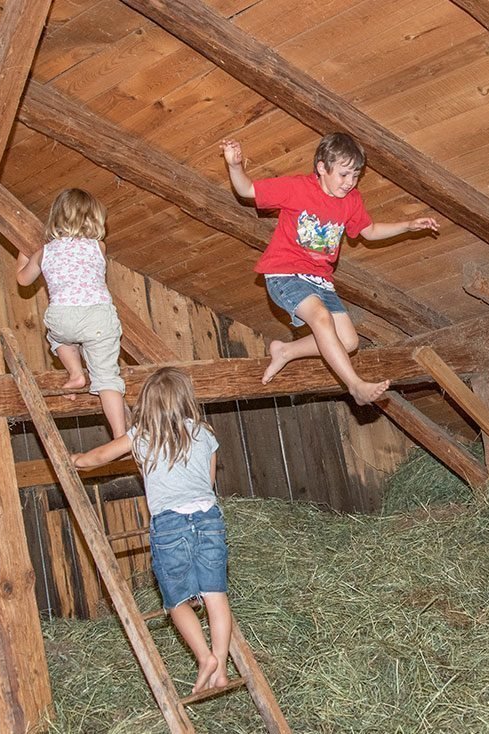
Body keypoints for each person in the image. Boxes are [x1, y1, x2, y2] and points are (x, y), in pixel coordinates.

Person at [220, 132, 439, 405]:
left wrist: (407, 225)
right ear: (322, 168)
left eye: (355, 176)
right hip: (285, 274)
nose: (350, 183)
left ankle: (285, 351)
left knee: (348, 341)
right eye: (344, 175)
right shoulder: (298, 188)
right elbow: (247, 190)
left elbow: (369, 231)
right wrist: (235, 165)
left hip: (320, 280)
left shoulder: (351, 200)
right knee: (321, 318)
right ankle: (355, 386)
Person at [72, 367, 232, 694]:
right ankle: (222, 665)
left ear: (147, 404)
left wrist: (76, 459)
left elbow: (99, 456)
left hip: (170, 524)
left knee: (175, 601)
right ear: (186, 399)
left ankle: (204, 658)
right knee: (216, 596)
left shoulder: (143, 436)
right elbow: (211, 481)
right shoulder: (204, 432)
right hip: (209, 519)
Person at [16, 188, 127, 438]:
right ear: (94, 219)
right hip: (97, 316)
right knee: (107, 378)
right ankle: (120, 436)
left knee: (59, 338)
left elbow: (23, 280)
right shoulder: (99, 247)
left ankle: (76, 374)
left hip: (62, 315)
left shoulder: (45, 252)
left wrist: (23, 253)